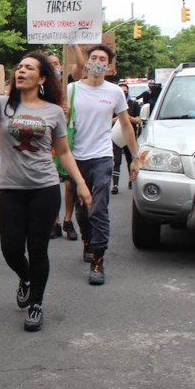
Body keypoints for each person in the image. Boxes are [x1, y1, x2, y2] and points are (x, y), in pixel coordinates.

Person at [0, 53, 91, 331]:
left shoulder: (53, 111)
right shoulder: (1, 105)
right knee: (10, 248)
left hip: (44, 189)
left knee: (38, 249)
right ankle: (26, 278)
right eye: (19, 67)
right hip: (11, 189)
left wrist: (80, 182)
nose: (21, 71)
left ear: (42, 78)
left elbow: (63, 152)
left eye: (29, 68)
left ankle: (36, 304)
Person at [66, 45, 140, 285]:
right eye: (94, 58)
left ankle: (98, 259)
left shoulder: (115, 92)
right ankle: (87, 239)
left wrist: (135, 157)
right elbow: (61, 121)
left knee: (98, 207)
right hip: (77, 157)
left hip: (102, 156)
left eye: (103, 59)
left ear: (109, 66)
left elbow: (126, 125)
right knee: (81, 207)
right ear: (86, 63)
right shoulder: (72, 89)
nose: (98, 62)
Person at [46, 51, 83, 242]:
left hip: (66, 140)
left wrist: (73, 44)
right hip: (47, 141)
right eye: (50, 64)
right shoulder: (41, 89)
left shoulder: (68, 87)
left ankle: (68, 220)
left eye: (57, 63)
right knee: (51, 183)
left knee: (69, 184)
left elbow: (81, 66)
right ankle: (55, 222)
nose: (54, 67)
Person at [111, 83, 142, 194]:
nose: (123, 94)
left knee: (130, 159)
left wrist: (128, 118)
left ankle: (131, 181)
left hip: (129, 137)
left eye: (125, 92)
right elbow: (108, 120)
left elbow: (139, 119)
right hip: (116, 136)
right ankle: (115, 184)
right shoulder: (113, 104)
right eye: (121, 91)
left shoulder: (133, 104)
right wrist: (119, 118)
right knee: (117, 161)